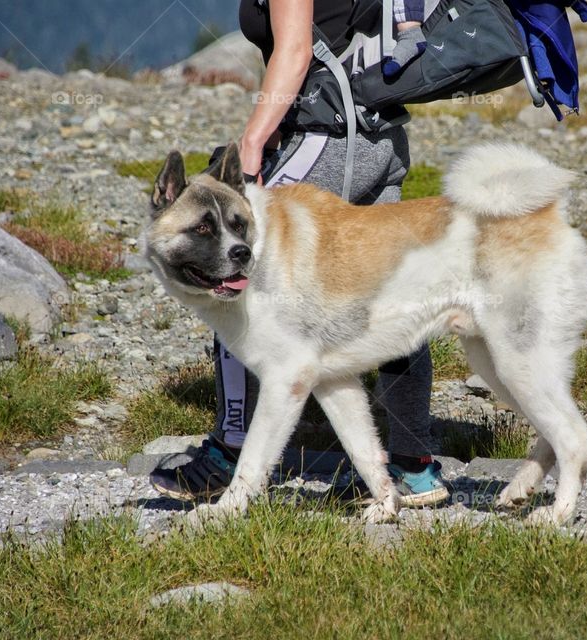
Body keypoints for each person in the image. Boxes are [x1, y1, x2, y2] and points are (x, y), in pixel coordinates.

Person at [149, 0, 448, 508]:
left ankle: (230, 449)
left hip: (322, 132)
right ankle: (411, 466)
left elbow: (294, 48)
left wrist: (251, 140)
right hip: (382, 133)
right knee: (395, 292)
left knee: (238, 284)